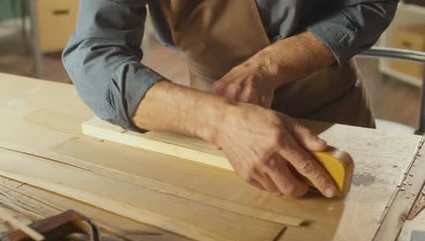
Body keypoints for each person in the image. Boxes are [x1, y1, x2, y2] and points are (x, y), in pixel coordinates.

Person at [62, 0, 398, 198]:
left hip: (334, 113)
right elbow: (93, 53)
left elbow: (370, 4)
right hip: (217, 137)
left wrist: (267, 67)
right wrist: (219, 120)